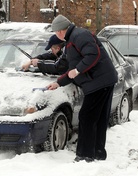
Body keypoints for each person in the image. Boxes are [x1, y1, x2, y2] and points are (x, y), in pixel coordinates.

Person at [46, 15, 118, 162]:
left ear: (60, 31)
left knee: (87, 117)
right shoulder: (72, 40)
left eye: (55, 32)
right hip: (102, 80)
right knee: (98, 119)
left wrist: (78, 70)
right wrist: (58, 83)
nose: (55, 35)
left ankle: (85, 156)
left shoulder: (79, 35)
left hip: (99, 81)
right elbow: (68, 68)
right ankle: (97, 153)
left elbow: (93, 54)